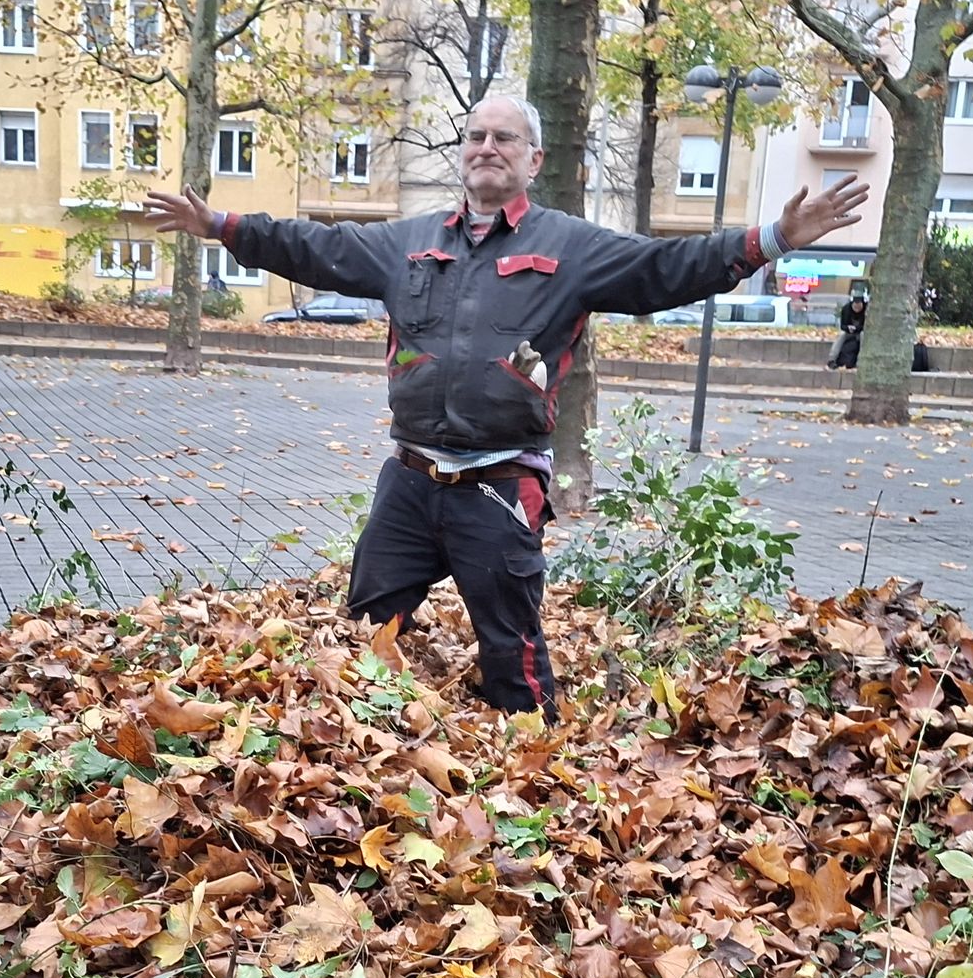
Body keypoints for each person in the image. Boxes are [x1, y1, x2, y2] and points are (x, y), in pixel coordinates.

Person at [141, 97, 867, 719]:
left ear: (533, 158)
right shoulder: (410, 242)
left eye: (503, 138)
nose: (487, 148)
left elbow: (664, 269)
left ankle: (533, 779)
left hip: (498, 483)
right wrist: (222, 225)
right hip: (411, 477)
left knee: (511, 655)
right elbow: (314, 246)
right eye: (475, 137)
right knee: (363, 632)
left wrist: (772, 239)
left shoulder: (570, 247)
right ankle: (366, 754)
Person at [829, 291, 870, 369]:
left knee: (863, 335)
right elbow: (842, 326)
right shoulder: (846, 309)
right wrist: (848, 328)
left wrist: (856, 328)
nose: (857, 309)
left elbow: (866, 326)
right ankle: (832, 359)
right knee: (841, 335)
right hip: (848, 332)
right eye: (855, 307)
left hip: (860, 332)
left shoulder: (865, 311)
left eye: (859, 307)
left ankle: (860, 360)